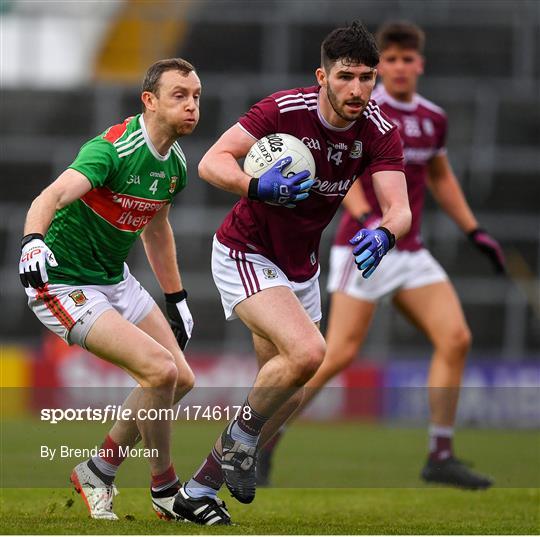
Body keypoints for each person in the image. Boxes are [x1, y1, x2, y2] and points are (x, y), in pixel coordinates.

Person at [157, 21, 411, 524]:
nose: (357, 89)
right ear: (322, 76)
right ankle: (238, 441)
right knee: (309, 352)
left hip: (300, 266)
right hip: (245, 250)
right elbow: (212, 162)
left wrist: (384, 235)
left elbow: (398, 208)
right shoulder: (283, 109)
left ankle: (197, 490)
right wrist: (258, 187)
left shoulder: (379, 130)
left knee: (287, 391)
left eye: (366, 78)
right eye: (346, 77)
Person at [258, 21, 506, 490]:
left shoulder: (432, 118)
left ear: (419, 64)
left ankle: (440, 453)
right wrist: (370, 220)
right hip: (363, 246)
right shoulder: (361, 112)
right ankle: (265, 436)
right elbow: (343, 175)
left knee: (456, 338)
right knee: (335, 354)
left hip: (406, 247)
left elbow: (441, 177)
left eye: (405, 60)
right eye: (387, 61)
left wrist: (475, 231)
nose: (396, 68)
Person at [18, 58, 232, 523]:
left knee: (181, 378)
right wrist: (32, 240)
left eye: (196, 96)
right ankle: (165, 488)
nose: (192, 105)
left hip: (114, 279)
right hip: (63, 282)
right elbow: (48, 198)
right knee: (158, 371)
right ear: (149, 101)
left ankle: (99, 468)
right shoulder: (112, 149)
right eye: (179, 95)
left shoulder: (175, 164)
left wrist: (176, 298)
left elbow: (157, 229)